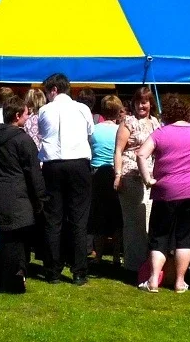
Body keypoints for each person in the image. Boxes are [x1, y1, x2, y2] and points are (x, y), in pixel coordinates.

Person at [136, 94, 190, 293]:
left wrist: (148, 179)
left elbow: (141, 154)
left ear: (165, 113)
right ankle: (179, 281)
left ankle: (152, 280)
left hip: (165, 191)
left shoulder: (160, 133)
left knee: (159, 236)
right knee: (184, 237)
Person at [0, 95, 46, 293]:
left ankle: (4, 280)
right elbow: (34, 172)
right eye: (26, 114)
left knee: (9, 239)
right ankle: (13, 281)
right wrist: (41, 197)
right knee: (15, 241)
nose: (28, 117)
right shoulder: (23, 140)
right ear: (17, 115)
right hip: (17, 195)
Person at [37, 73, 95, 285]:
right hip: (78, 163)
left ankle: (53, 270)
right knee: (79, 220)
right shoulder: (82, 109)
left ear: (53, 90)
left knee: (53, 219)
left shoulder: (45, 110)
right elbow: (90, 133)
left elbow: (44, 133)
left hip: (53, 165)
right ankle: (79, 271)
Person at [114, 87, 162, 279]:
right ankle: (133, 266)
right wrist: (117, 174)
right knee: (134, 223)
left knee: (148, 222)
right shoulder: (128, 122)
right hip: (130, 175)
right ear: (133, 103)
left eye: (145, 101)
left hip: (150, 176)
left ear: (151, 103)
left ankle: (147, 265)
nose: (142, 105)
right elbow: (118, 150)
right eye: (139, 101)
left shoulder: (156, 123)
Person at [89, 95, 125, 264]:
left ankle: (99, 255)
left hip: (96, 174)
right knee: (117, 217)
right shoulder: (121, 130)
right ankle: (117, 256)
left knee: (99, 216)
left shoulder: (94, 129)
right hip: (115, 172)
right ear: (118, 111)